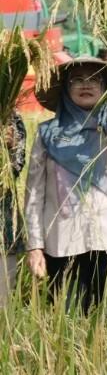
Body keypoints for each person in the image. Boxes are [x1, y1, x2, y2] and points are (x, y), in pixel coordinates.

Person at [24, 57, 107, 312]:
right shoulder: (47, 134)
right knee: (67, 320)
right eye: (77, 80)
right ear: (66, 89)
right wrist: (35, 245)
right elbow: (34, 194)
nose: (86, 85)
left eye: (94, 79)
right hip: (63, 242)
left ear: (105, 87)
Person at [1, 110, 27, 305]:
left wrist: (9, 147)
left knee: (3, 308)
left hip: (3, 231)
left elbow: (14, 170)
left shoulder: (9, 114)